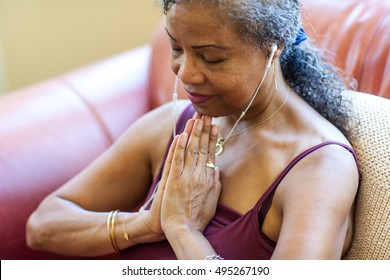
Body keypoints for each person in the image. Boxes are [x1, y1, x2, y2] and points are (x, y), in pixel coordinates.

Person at [26, 0, 360, 260]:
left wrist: (184, 232)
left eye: (211, 58)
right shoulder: (172, 124)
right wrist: (145, 225)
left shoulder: (319, 169)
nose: (185, 74)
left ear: (273, 47)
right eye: (176, 48)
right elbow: (43, 225)